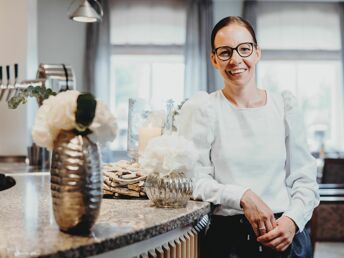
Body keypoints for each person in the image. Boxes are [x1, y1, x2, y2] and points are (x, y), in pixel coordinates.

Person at [177, 16, 319, 258]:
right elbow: (193, 180)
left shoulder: (284, 106)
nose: (235, 60)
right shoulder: (203, 108)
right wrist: (243, 196)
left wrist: (292, 221)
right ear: (214, 59)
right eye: (225, 52)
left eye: (244, 49)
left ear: (257, 53)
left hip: (285, 236)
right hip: (228, 240)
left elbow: (305, 181)